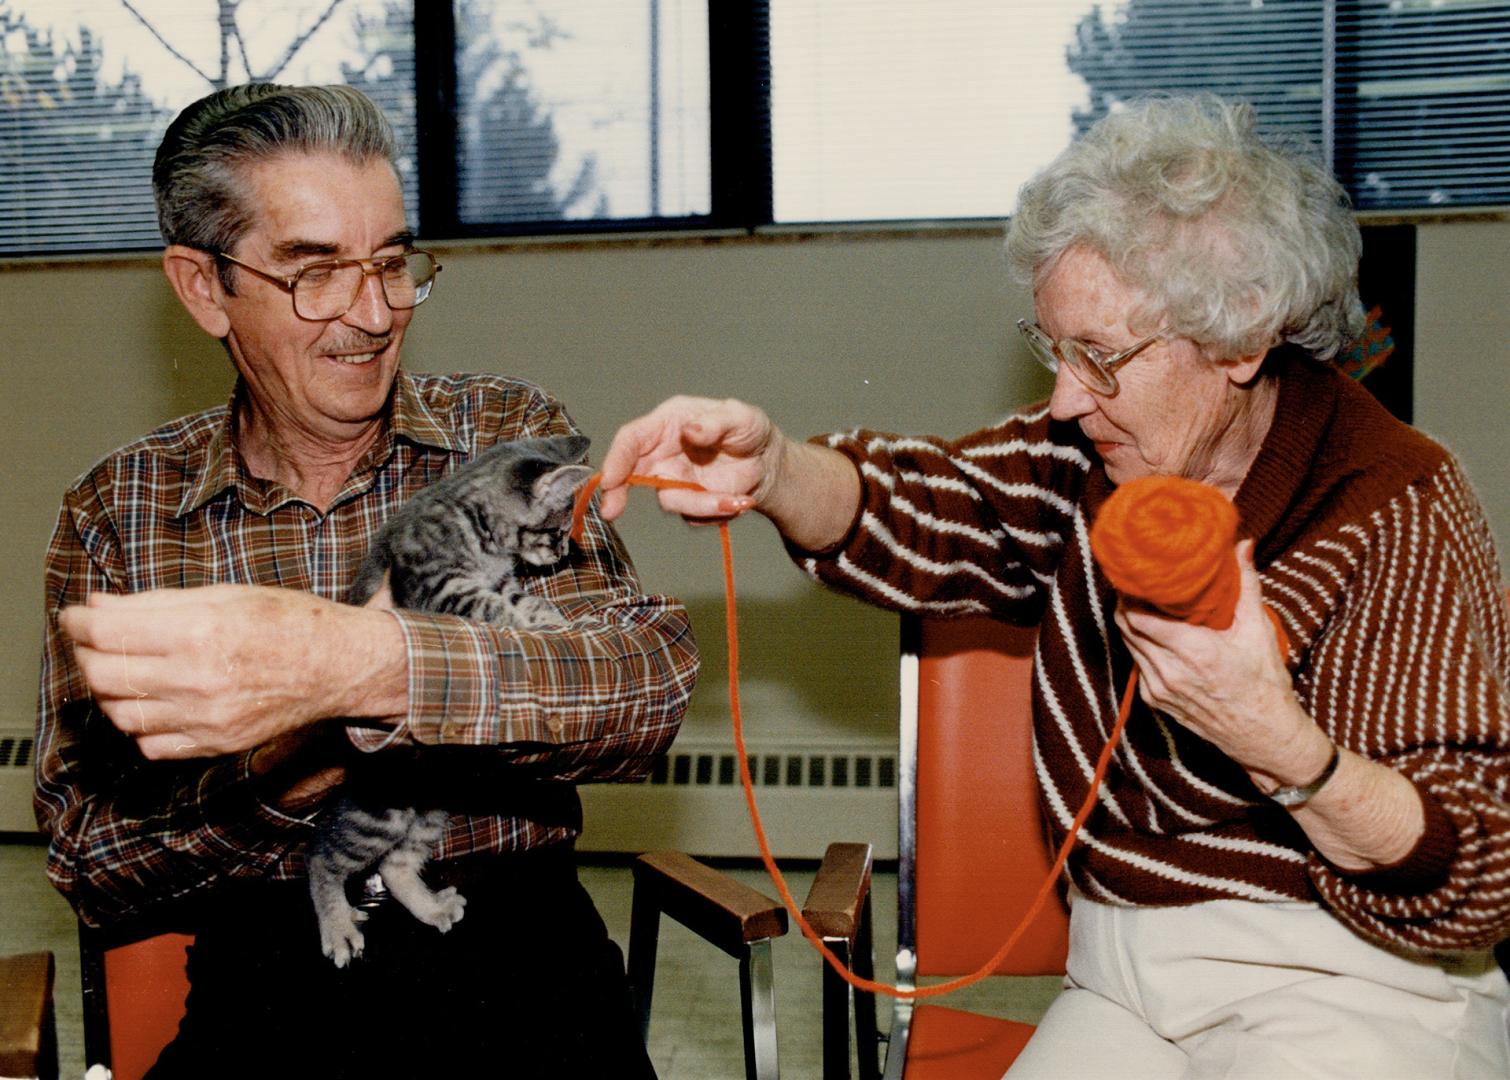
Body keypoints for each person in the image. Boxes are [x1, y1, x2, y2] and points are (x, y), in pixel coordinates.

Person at [600, 94, 1510, 1078]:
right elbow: (918, 503)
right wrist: (774, 469)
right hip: (1121, 974)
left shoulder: (1396, 505)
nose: (1068, 399)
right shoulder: (1082, 455)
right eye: (1053, 348)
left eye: (1101, 357)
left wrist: (1275, 741)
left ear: (1243, 342)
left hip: (1351, 982)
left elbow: (1473, 868)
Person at [35, 83, 697, 1079]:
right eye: (316, 274)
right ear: (203, 287)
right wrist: (290, 767)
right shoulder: (122, 516)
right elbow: (90, 861)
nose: (374, 313)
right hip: (269, 984)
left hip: (523, 969)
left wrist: (369, 667)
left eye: (391, 263)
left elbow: (643, 685)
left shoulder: (499, 434)